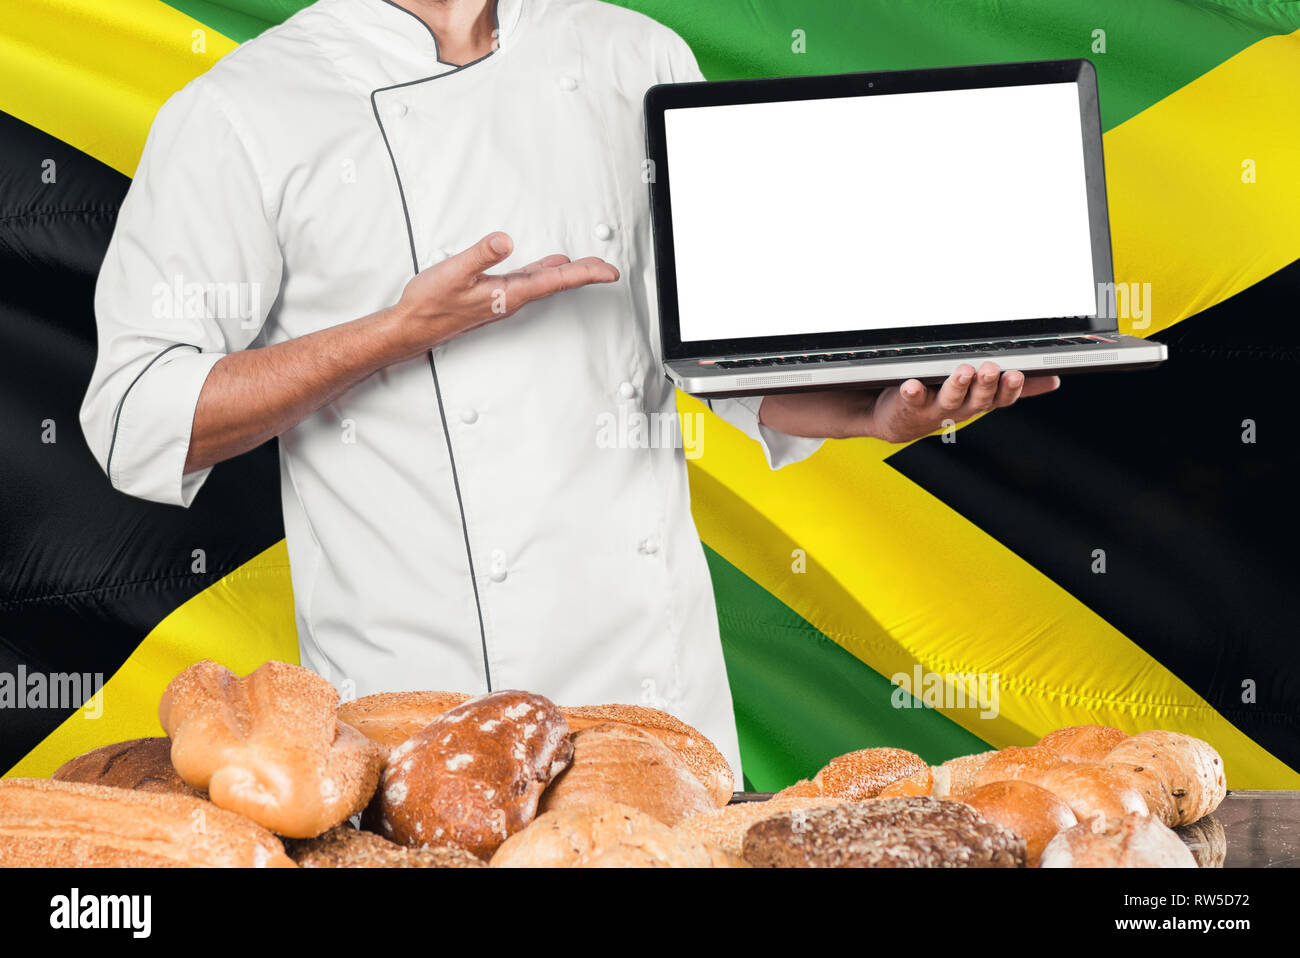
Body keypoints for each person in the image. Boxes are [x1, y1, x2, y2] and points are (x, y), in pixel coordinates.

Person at [80, 0, 1057, 778]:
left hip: (661, 709)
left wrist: (876, 410)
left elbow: (707, 357)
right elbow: (137, 417)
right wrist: (394, 333)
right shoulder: (243, 111)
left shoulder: (636, 55)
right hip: (418, 726)